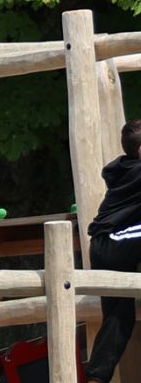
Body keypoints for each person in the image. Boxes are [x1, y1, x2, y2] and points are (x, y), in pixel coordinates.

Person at [85, 119, 141, 383]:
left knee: (120, 317)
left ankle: (97, 378)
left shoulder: (128, 168)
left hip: (104, 247)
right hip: (115, 242)